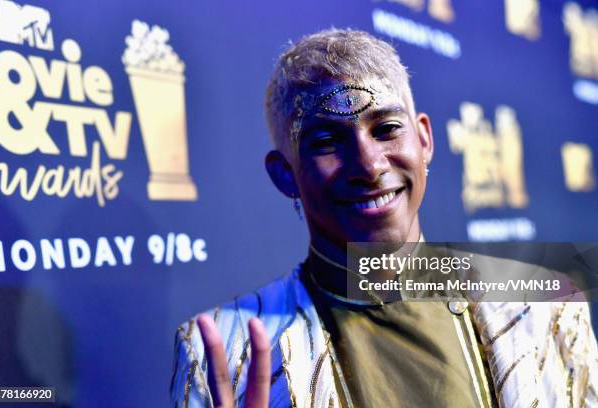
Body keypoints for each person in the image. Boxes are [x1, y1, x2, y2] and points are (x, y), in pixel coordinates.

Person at [171, 29, 597, 407]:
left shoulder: (547, 306)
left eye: (386, 128)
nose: (369, 165)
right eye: (326, 141)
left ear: (425, 139)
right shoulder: (224, 352)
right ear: (286, 175)